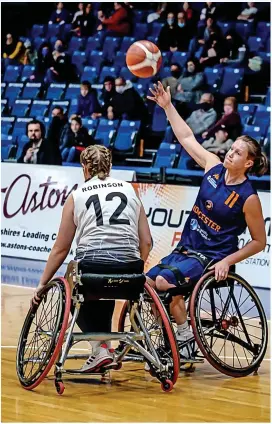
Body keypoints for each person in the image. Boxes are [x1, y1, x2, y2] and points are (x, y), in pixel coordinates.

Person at [146, 81, 267, 357]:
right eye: (232, 148)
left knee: (165, 282)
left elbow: (259, 241)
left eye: (237, 152)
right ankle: (171, 337)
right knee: (148, 282)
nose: (230, 152)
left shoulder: (248, 198)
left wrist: (227, 261)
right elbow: (187, 138)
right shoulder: (212, 166)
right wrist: (167, 106)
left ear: (248, 163)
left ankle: (185, 340)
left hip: (212, 257)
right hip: (185, 250)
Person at [32, 145, 152, 372]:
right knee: (105, 282)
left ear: (84, 168)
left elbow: (61, 248)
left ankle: (100, 347)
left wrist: (41, 284)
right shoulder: (129, 190)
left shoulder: (77, 195)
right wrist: (136, 271)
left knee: (73, 283)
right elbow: (146, 242)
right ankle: (104, 348)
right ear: (110, 166)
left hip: (92, 265)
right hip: (130, 267)